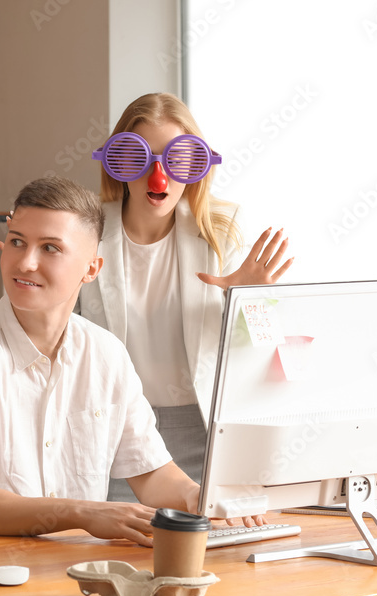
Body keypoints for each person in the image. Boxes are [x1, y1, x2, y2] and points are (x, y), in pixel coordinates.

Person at [0, 175, 209, 548]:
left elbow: (153, 475)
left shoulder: (106, 355)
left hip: (61, 571)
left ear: (91, 269)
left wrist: (201, 499)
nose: (26, 263)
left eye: (50, 248)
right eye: (17, 242)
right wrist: (82, 514)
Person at [79, 93, 293, 496]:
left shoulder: (220, 231)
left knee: (212, 549)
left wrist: (246, 302)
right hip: (114, 431)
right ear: (118, 161)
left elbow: (262, 351)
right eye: (139, 156)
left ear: (195, 165)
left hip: (202, 430)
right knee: (124, 549)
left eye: (176, 159)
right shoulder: (84, 230)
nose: (158, 175)